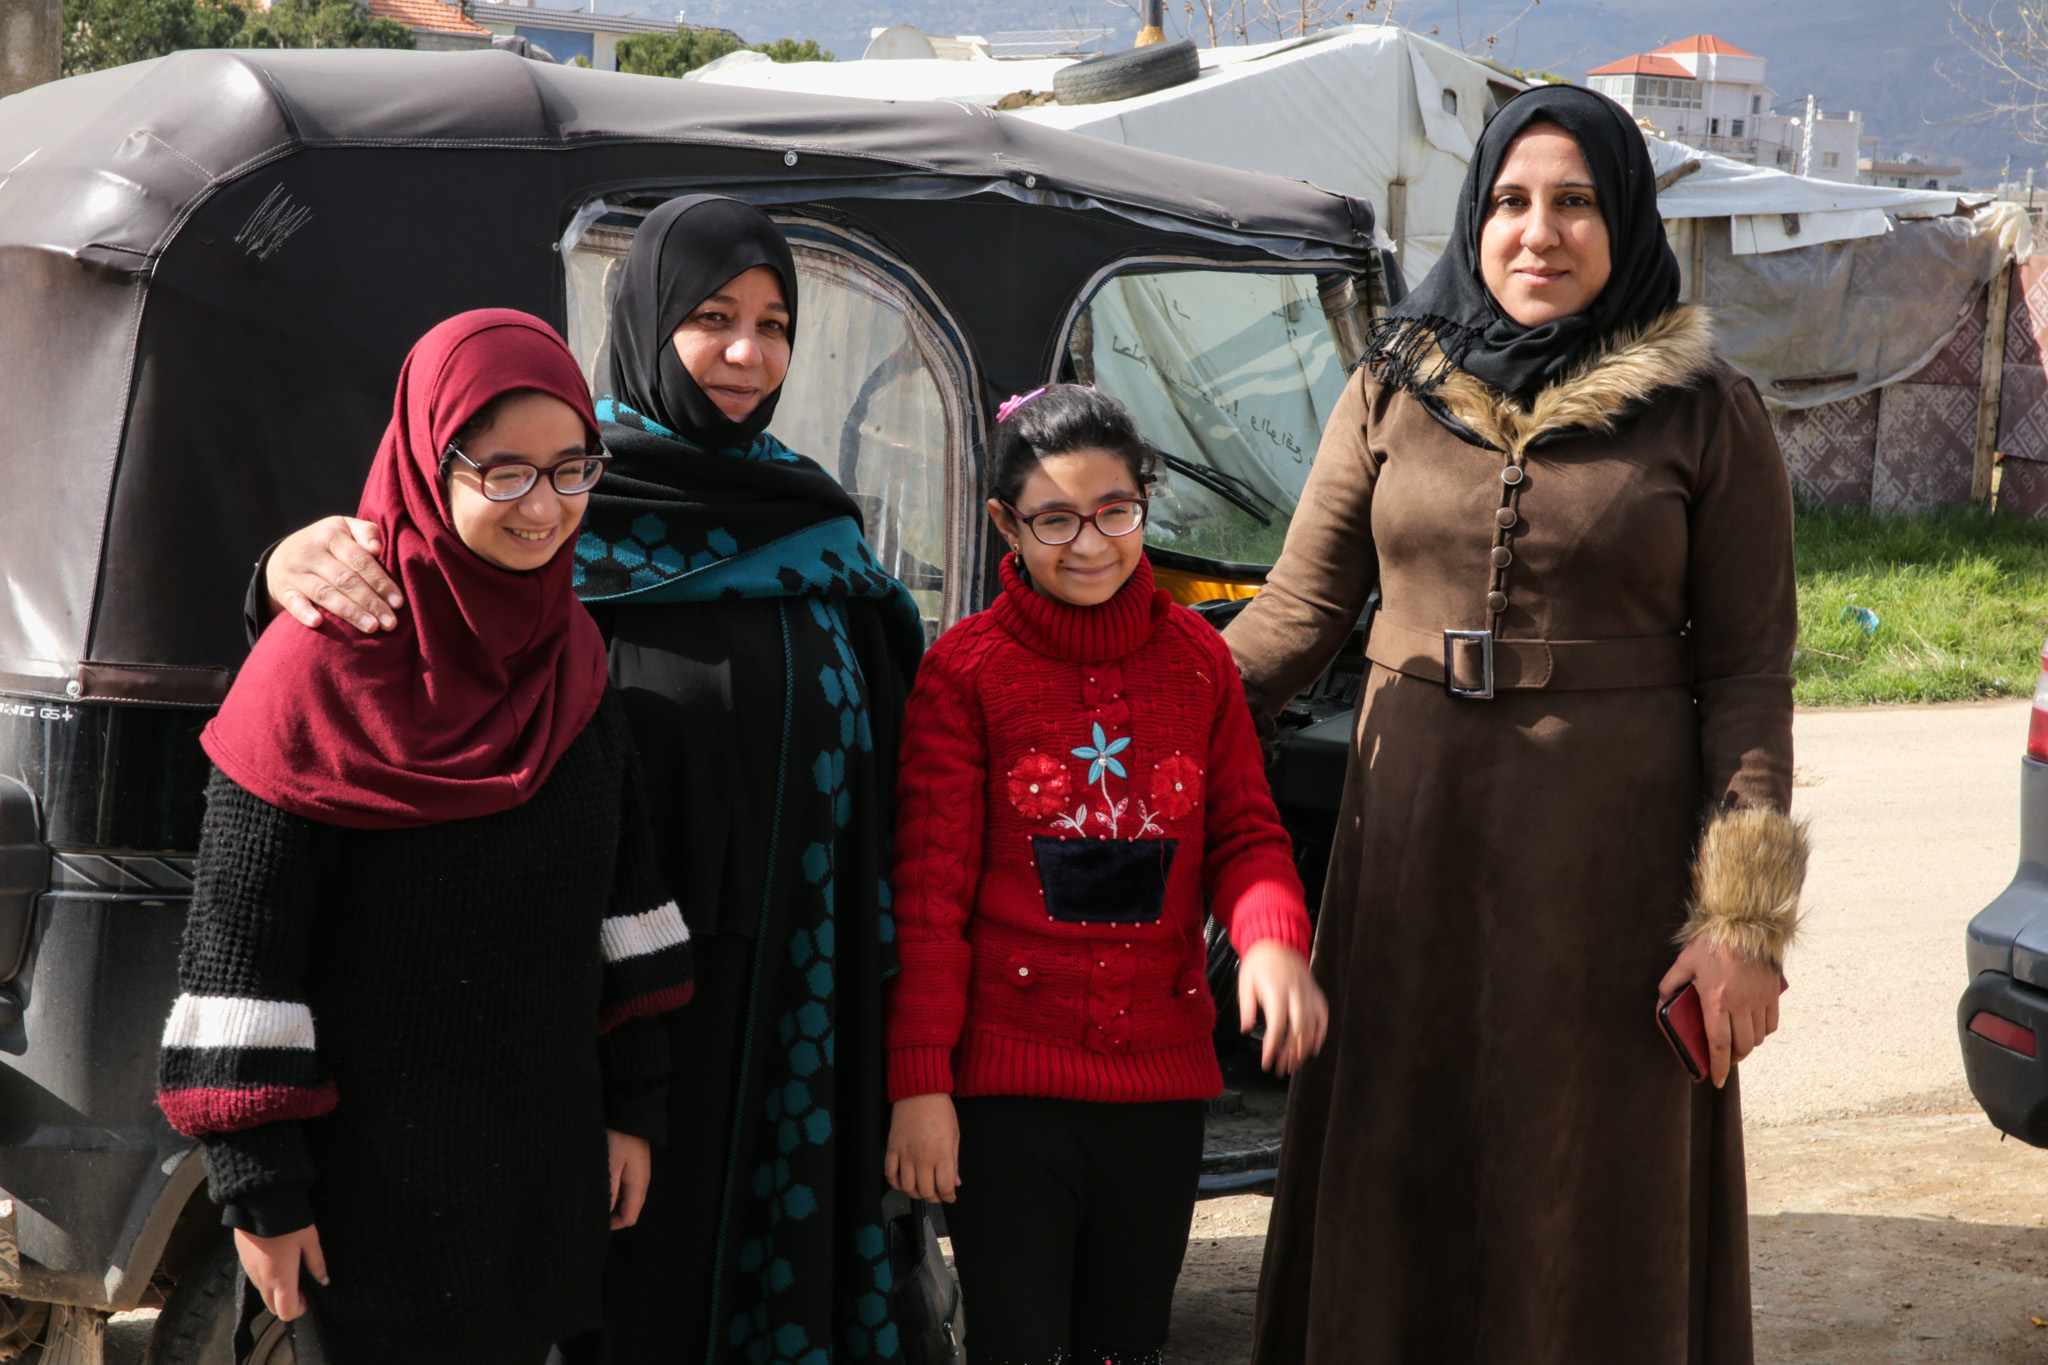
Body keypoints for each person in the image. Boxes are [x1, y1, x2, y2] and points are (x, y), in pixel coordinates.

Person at [251, 197, 923, 1364]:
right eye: (710, 317)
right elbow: (355, 674)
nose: (746, 354)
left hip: (789, 1005)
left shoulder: (815, 528)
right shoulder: (546, 498)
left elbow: (902, 766)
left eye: (773, 324)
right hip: (572, 1025)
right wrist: (272, 570)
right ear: (646, 318)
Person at [1224, 84, 1808, 1364]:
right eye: (1506, 202)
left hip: (1607, 878)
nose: (1535, 233)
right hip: (1409, 857)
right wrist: (1102, 701)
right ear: (1472, 219)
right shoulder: (1391, 387)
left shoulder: (1706, 409)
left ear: (1626, 222)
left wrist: (1742, 926)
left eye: (1573, 203)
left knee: (1583, 1184)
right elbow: (1294, 616)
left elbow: (1751, 675)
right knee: (1397, 1153)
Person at [157, 310, 694, 1365]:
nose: (543, 507)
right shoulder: (315, 671)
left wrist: (633, 1104)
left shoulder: (570, 660)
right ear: (425, 462)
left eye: (571, 468)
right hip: (363, 1215)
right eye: (503, 473)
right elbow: (240, 957)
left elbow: (623, 907)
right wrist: (260, 1190)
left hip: (535, 1189)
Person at [883, 384, 1327, 1365]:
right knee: (1017, 1341)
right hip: (1006, 1098)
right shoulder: (962, 676)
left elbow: (1246, 837)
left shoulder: (1199, 665)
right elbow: (927, 901)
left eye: (1113, 513)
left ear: (1143, 505)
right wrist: (919, 1085)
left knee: (1126, 1340)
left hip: (1159, 1092)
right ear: (1006, 522)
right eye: (1054, 520)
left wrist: (1270, 942)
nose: (1087, 544)